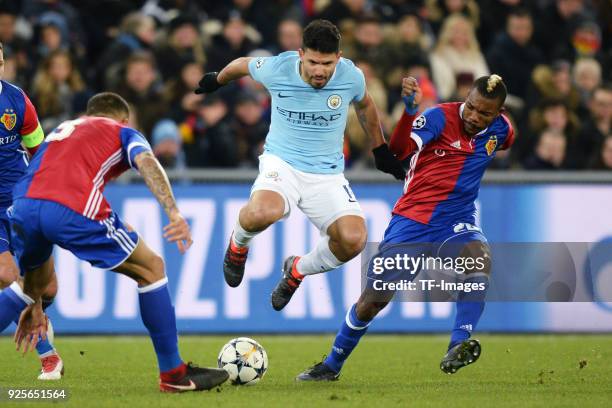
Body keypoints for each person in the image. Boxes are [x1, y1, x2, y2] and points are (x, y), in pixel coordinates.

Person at [3, 92, 229, 392]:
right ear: (124, 119)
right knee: (152, 268)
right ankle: (173, 375)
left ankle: (30, 309)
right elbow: (147, 162)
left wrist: (34, 306)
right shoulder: (122, 131)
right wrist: (173, 211)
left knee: (30, 290)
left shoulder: (64, 130)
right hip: (67, 205)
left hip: (23, 204)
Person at [296, 74, 515, 380]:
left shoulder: (502, 130)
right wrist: (410, 111)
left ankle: (458, 345)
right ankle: (331, 365)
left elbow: (502, 142)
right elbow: (398, 152)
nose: (476, 117)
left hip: (455, 221)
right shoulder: (438, 117)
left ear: (498, 113)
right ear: (466, 98)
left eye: (485, 113)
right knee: (372, 301)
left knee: (477, 261)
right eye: (472, 107)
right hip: (412, 222)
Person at [194, 19, 405, 311]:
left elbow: (365, 104)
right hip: (282, 163)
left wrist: (380, 148)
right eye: (314, 62)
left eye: (328, 63)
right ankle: (238, 246)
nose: (320, 70)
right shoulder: (278, 68)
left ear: (339, 58)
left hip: (327, 175)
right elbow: (242, 64)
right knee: (263, 212)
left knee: (353, 241)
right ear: (301, 54)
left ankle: (297, 270)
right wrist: (217, 80)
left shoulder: (351, 76)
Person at [0, 42, 64, 380]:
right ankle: (48, 357)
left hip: (21, 201)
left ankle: (37, 311)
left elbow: (38, 148)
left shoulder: (16, 100)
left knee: (46, 288)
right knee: (8, 276)